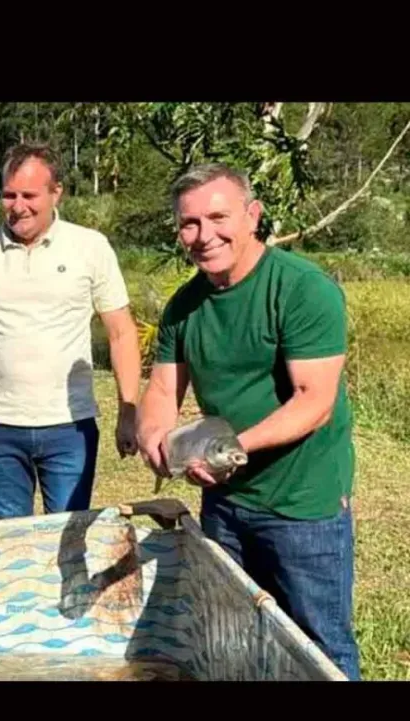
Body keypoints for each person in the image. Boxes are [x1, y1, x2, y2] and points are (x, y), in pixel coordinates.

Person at [135, 162, 360, 680]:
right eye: (189, 223)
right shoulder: (184, 306)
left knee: (319, 646)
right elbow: (164, 388)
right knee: (232, 638)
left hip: (303, 505)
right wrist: (153, 435)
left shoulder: (301, 289)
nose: (204, 235)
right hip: (225, 505)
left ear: (253, 215)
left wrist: (226, 449)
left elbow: (314, 400)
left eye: (218, 217)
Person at [0, 143, 141, 520]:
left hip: (71, 426)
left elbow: (120, 332)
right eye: (9, 194)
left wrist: (128, 411)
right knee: (8, 535)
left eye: (29, 195)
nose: (18, 206)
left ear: (57, 193)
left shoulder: (90, 247)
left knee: (67, 534)